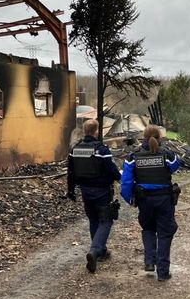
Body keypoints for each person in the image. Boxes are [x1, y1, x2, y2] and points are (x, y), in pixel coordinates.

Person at [120, 125, 180, 282]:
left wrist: (130, 199)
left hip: (144, 200)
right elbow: (175, 165)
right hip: (164, 200)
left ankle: (149, 261)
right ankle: (163, 272)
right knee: (165, 233)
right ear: (159, 137)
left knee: (148, 228)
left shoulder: (133, 157)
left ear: (143, 138)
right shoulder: (167, 154)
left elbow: (125, 182)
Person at [67, 119, 121, 273]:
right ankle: (95, 250)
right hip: (102, 192)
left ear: (85, 131)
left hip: (85, 191)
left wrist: (70, 191)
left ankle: (101, 252)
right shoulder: (101, 150)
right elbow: (111, 170)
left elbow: (71, 172)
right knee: (106, 221)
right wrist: (123, 179)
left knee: (93, 220)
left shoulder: (74, 149)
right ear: (96, 131)